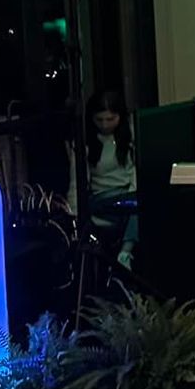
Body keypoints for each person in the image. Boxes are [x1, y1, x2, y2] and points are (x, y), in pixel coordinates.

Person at [72, 89, 138, 268]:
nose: (105, 125)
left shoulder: (130, 135)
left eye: (110, 119)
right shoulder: (86, 142)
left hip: (127, 194)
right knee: (133, 210)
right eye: (99, 120)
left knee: (138, 206)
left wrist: (132, 193)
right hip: (102, 198)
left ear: (120, 117)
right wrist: (74, 215)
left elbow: (134, 171)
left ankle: (125, 253)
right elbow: (76, 181)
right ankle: (125, 254)